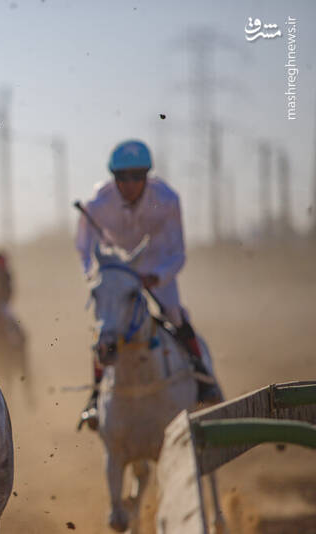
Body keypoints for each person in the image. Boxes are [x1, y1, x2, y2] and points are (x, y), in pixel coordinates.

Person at [74, 139, 221, 431]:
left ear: (147, 176)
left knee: (175, 315)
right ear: (113, 177)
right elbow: (83, 246)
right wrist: (93, 273)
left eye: (137, 176)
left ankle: (203, 376)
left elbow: (178, 253)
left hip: (154, 266)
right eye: (122, 177)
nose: (129, 184)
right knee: (106, 326)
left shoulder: (167, 199)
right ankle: (96, 396)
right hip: (115, 268)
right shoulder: (97, 203)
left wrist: (155, 276)